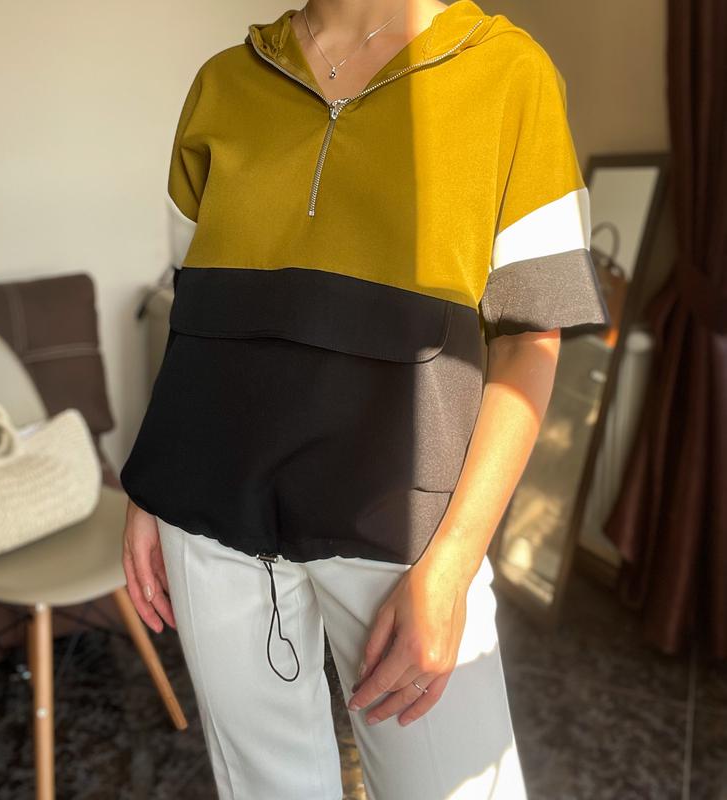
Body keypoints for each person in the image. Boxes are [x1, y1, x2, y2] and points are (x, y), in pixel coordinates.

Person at [120, 1, 609, 798]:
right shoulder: (223, 82)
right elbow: (197, 313)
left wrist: (451, 569)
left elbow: (529, 340)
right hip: (209, 511)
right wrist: (153, 484)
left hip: (407, 534)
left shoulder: (507, 72)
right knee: (267, 788)